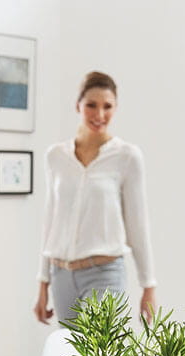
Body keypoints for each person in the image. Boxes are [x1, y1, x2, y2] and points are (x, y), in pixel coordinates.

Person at [33, 71, 157, 325]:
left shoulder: (126, 156)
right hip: (62, 276)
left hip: (104, 274)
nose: (99, 115)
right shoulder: (56, 156)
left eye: (107, 107)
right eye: (91, 105)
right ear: (77, 105)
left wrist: (149, 285)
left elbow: (137, 224)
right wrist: (43, 283)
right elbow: (51, 221)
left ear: (116, 108)